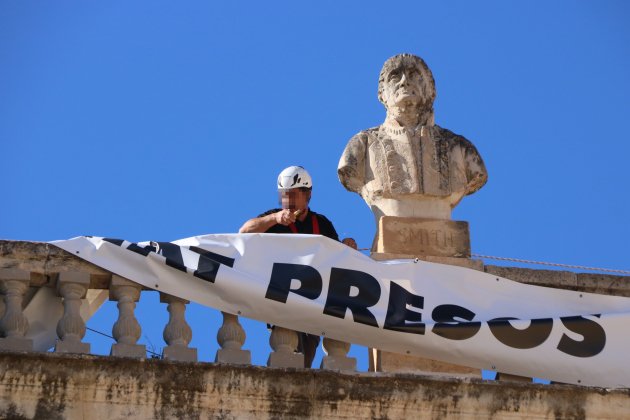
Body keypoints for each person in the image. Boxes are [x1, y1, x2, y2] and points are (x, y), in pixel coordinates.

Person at [338, 54, 488, 222]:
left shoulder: (460, 148)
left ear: (431, 89)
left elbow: (477, 175)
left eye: (414, 75)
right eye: (394, 76)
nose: (404, 82)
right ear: (381, 94)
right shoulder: (362, 145)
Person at [239, 165, 356, 368]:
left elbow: (336, 258)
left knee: (304, 361)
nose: (288, 202)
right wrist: (274, 218)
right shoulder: (273, 218)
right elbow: (244, 231)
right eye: (284, 196)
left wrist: (347, 246)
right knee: (287, 353)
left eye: (292, 195)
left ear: (307, 194)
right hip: (284, 299)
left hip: (313, 302)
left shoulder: (321, 224)